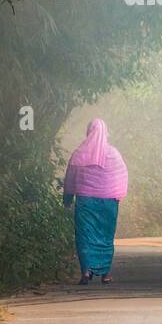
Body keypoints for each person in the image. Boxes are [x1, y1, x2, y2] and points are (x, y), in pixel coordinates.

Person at [63, 118, 128, 284]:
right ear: (106, 133)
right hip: (108, 202)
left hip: (85, 201)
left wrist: (68, 198)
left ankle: (85, 271)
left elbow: (70, 178)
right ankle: (105, 273)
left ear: (88, 132)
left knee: (85, 235)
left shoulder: (79, 153)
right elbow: (121, 176)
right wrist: (117, 195)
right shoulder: (113, 154)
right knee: (106, 236)